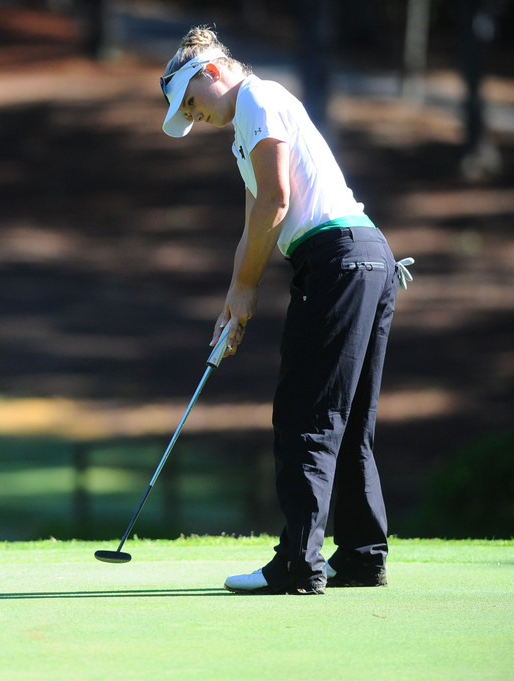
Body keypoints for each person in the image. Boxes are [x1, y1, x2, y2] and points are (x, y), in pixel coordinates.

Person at [159, 27, 413, 594]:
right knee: (348, 424)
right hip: (367, 256)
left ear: (212, 73)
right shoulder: (250, 122)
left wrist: (247, 288)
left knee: (306, 416)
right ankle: (362, 556)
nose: (194, 116)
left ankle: (299, 562)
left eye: (192, 103)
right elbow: (257, 215)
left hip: (337, 261)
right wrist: (235, 294)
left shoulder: (256, 98)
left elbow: (276, 202)